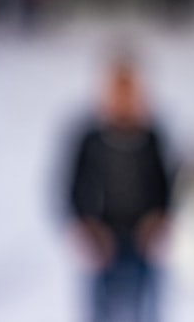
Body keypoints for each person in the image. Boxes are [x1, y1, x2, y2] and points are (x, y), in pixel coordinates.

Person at [66, 56, 172, 322]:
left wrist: (158, 221)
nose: (123, 100)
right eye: (117, 91)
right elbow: (75, 187)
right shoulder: (90, 140)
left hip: (142, 240)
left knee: (146, 307)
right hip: (103, 240)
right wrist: (87, 227)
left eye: (129, 91)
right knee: (99, 310)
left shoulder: (151, 138)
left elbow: (166, 185)